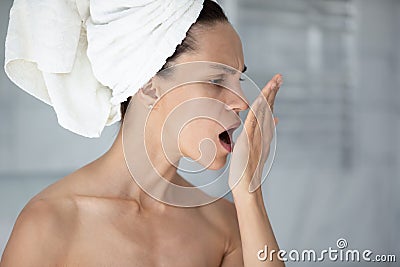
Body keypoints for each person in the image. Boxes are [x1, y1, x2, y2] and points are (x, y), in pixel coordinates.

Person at [1, 0, 284, 266]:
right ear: (149, 86)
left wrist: (249, 194)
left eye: (239, 78)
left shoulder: (223, 227)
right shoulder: (49, 224)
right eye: (216, 80)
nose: (242, 101)